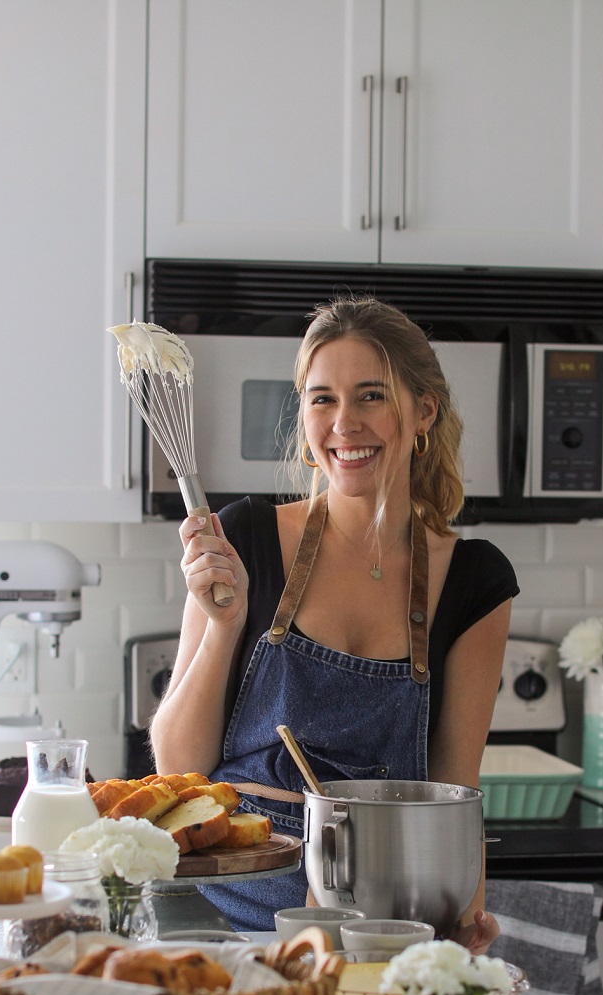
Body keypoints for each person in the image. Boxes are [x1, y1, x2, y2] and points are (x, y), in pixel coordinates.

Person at [150, 295, 518, 949]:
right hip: (218, 912)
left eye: (371, 395)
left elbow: (456, 792)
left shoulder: (475, 581)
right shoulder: (246, 541)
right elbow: (179, 762)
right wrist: (224, 626)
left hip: (378, 924)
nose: (344, 423)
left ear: (424, 410)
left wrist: (458, 944)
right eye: (322, 399)